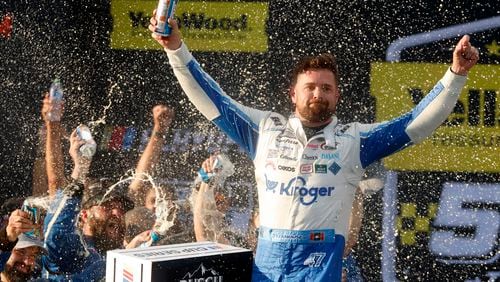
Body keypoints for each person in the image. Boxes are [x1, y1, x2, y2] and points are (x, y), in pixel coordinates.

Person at [149, 15, 479, 281]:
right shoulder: (264, 130)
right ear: (293, 94)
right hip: (266, 266)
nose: (317, 94)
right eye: (309, 87)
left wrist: (456, 75)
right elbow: (213, 99)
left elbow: (414, 124)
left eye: (326, 88)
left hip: (321, 268)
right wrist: (176, 49)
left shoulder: (355, 141)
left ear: (337, 96)